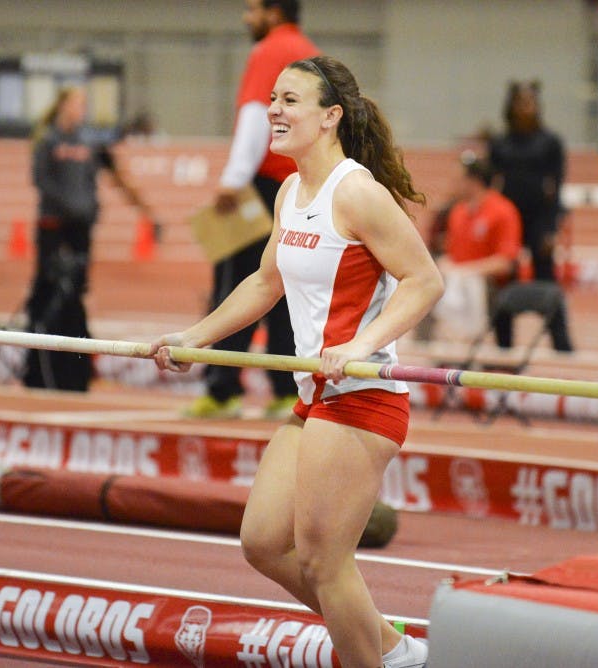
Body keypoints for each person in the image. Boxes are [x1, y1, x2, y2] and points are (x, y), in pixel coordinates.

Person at [149, 55, 443, 668]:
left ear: (330, 117)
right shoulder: (290, 191)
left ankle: (383, 661)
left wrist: (360, 349)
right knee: (262, 543)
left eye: (289, 101)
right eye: (272, 100)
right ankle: (396, 650)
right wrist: (194, 338)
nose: (273, 111)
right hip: (315, 398)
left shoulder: (358, 192)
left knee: (322, 563)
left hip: (363, 398)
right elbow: (264, 283)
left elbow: (423, 281)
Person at [186, 0, 320, 419]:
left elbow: (256, 115)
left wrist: (233, 179)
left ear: (274, 13)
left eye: (253, 9)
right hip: (299, 184)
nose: (247, 18)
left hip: (263, 187)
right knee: (284, 288)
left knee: (239, 286)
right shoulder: (310, 53)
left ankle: (223, 390)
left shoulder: (270, 51)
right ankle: (285, 390)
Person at [23, 86, 152, 391]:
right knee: (48, 290)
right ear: (62, 106)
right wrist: (72, 207)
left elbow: (116, 170)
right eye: (76, 103)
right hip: (53, 227)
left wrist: (145, 210)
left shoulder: (90, 141)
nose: (81, 109)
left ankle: (73, 369)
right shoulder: (48, 140)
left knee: (76, 291)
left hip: (81, 230)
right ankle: (40, 367)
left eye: (84, 103)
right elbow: (40, 181)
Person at [431, 152, 522, 341]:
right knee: (426, 283)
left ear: (474, 181)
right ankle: (434, 348)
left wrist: (466, 271)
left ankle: (470, 340)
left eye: (458, 179)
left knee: (469, 283)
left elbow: (505, 262)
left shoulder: (503, 211)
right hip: (457, 279)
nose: (453, 184)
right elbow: (453, 255)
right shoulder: (457, 212)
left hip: (491, 284)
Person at [489, 80, 566, 282]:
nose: (526, 106)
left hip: (540, 214)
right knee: (507, 272)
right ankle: (505, 312)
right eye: (521, 102)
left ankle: (550, 312)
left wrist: (552, 228)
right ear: (511, 106)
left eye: (531, 101)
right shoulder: (500, 142)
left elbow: (557, 186)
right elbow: (490, 185)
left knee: (544, 271)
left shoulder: (550, 143)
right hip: (509, 214)